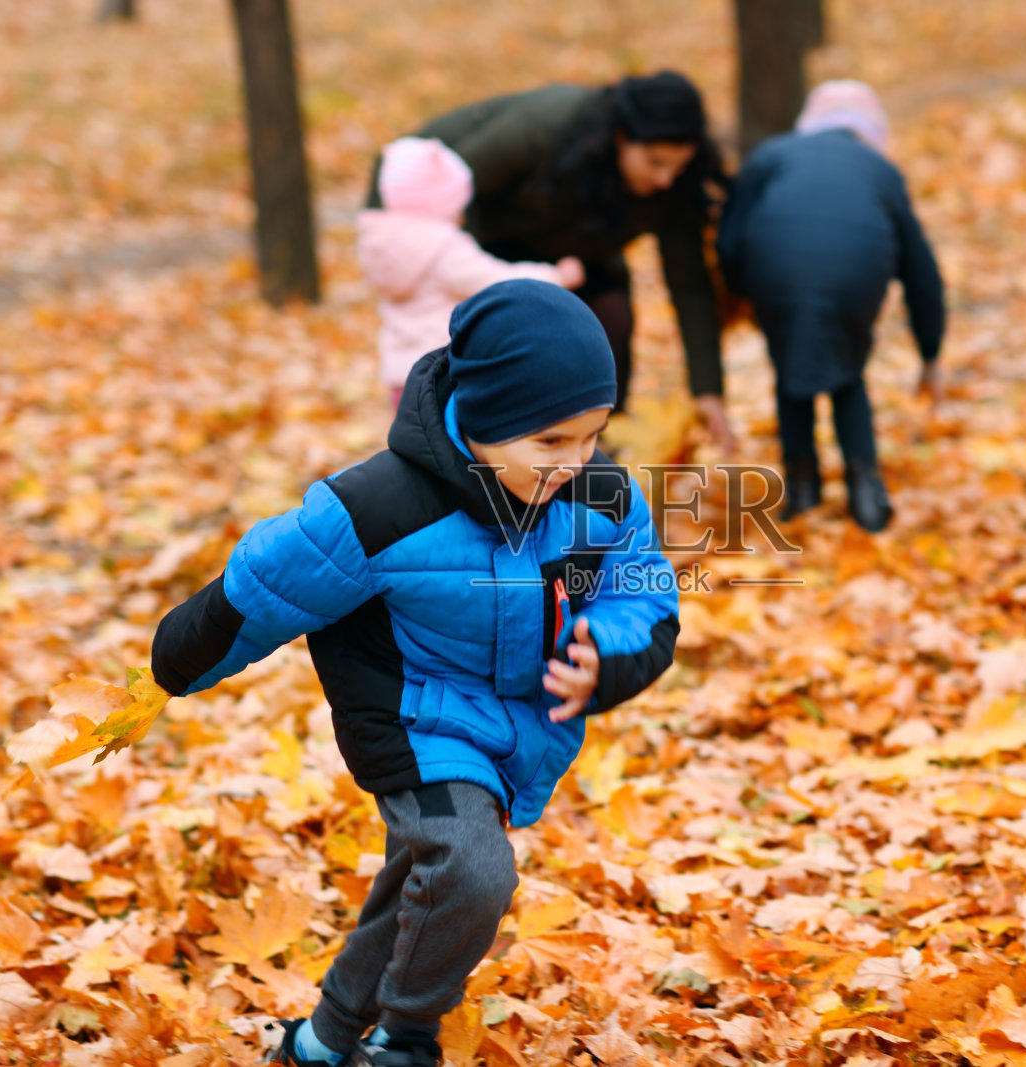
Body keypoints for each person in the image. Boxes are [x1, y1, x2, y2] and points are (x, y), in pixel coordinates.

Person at [149, 281, 680, 1067]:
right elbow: (270, 580)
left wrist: (608, 647)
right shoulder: (379, 506)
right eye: (552, 442)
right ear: (489, 420)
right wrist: (173, 664)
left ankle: (323, 1042)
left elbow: (644, 584)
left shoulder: (599, 494)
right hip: (414, 720)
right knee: (470, 867)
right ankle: (408, 1036)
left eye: (593, 436)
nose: (576, 462)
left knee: (426, 884)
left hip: (517, 725)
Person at [366, 71, 736, 451]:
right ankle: (479, 444)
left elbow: (690, 286)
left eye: (677, 166)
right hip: (473, 228)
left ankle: (594, 445)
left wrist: (708, 390)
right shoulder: (548, 127)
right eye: (655, 162)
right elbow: (461, 184)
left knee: (610, 317)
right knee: (494, 331)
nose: (665, 178)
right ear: (623, 138)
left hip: (572, 247)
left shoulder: (673, 187)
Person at [715, 80, 947, 533]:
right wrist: (930, 352)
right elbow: (921, 268)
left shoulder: (769, 156)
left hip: (773, 269)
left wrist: (743, 290)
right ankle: (866, 487)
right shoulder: (879, 169)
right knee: (847, 367)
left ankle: (802, 485)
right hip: (857, 272)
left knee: (790, 364)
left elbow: (730, 238)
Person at [357, 136, 584, 411]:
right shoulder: (442, 249)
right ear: (439, 204)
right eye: (458, 204)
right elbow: (495, 281)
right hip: (444, 375)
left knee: (421, 449)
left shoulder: (382, 244)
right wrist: (556, 276)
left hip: (401, 379)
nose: (462, 214)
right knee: (459, 448)